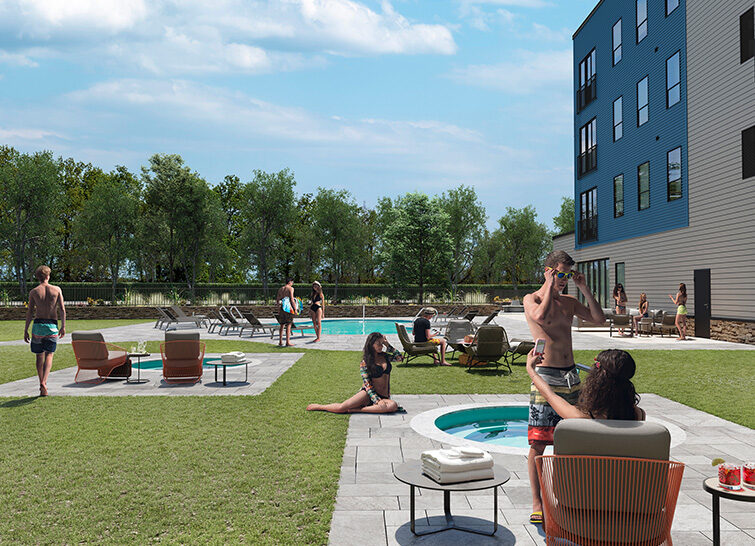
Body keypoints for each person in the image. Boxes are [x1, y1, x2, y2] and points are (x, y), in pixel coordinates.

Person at [522, 250, 605, 525]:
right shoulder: (531, 299)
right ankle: (536, 502)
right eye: (560, 274)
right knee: (538, 443)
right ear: (548, 271)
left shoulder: (570, 301)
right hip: (546, 376)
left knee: (568, 441)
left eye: (568, 275)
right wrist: (548, 287)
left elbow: (598, 318)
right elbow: (542, 318)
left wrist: (583, 288)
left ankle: (562, 499)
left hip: (571, 378)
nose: (564, 280)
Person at [526, 348, 645, 421]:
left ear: (597, 380)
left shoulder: (581, 417)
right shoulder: (638, 415)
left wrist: (531, 370)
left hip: (590, 463)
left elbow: (549, 395)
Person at [306, 332, 403, 413]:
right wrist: (377, 401)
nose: (381, 346)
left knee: (393, 406)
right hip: (368, 394)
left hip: (384, 396)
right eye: (379, 343)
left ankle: (357, 410)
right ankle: (320, 406)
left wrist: (387, 344)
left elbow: (400, 358)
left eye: (382, 343)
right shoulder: (365, 363)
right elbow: (368, 385)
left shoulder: (385, 356)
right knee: (342, 408)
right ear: (371, 344)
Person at [24, 265, 66, 396]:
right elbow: (62, 310)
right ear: (48, 276)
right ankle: (45, 382)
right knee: (49, 354)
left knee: (39, 355)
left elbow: (30, 312)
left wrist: (25, 329)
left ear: (38, 277)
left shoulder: (34, 292)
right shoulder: (56, 289)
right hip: (52, 325)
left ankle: (40, 381)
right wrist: (63, 326)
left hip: (38, 326)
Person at [276, 279, 297, 347]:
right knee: (289, 324)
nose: (292, 283)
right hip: (288, 308)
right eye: (292, 282)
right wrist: (295, 309)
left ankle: (280, 341)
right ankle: (288, 342)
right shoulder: (290, 288)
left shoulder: (281, 289)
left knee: (282, 325)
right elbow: (291, 299)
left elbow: (277, 300)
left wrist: (278, 308)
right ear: (290, 282)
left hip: (282, 307)